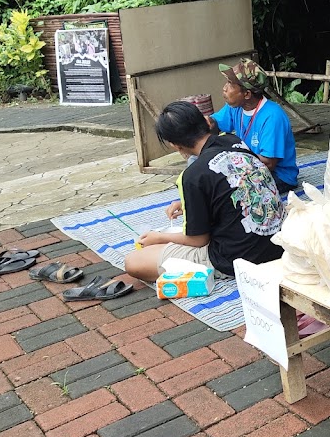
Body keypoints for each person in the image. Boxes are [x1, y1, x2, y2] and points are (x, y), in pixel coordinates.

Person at [124, 101, 284, 282]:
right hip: (277, 244)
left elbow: (198, 241)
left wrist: (159, 237)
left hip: (241, 258)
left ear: (174, 145)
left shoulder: (192, 175)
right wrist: (190, 205)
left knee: (134, 261)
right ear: (207, 122)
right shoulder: (234, 141)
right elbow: (234, 188)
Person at [210, 59, 299, 194]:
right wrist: (203, 124)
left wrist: (231, 163)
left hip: (278, 175)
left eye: (231, 84)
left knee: (226, 192)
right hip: (249, 167)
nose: (224, 88)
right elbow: (215, 124)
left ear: (246, 94)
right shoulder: (235, 107)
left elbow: (268, 163)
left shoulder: (272, 116)